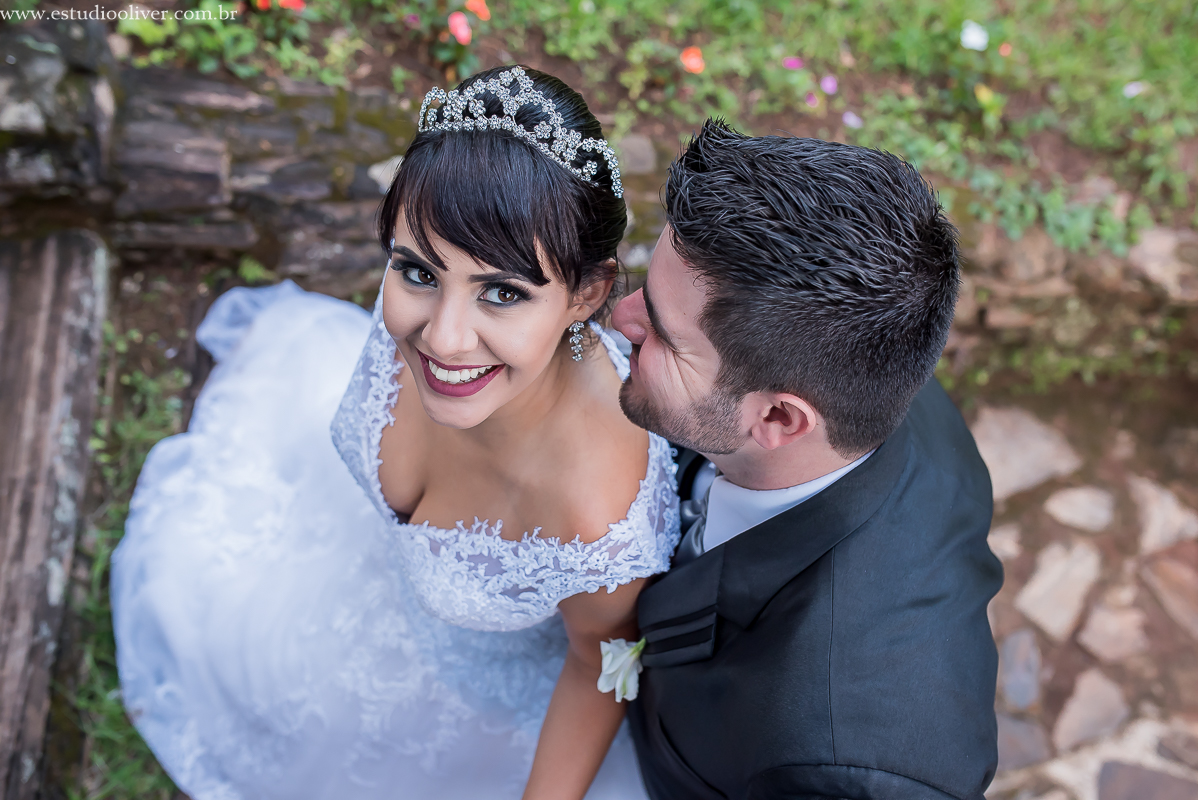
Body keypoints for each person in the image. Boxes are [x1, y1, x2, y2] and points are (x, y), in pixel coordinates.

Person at [111, 66, 679, 800]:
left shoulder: (597, 518)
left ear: (587, 295)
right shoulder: (418, 329)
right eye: (416, 271)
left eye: (502, 293)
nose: (441, 339)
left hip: (472, 701)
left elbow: (595, 666)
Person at [613, 121, 1003, 799]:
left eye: (662, 335)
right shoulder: (862, 343)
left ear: (778, 419)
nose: (618, 319)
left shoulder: (851, 763)